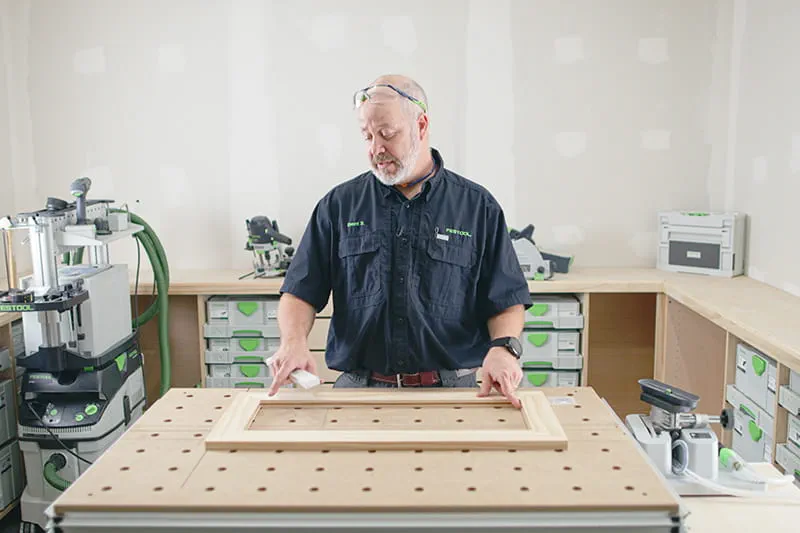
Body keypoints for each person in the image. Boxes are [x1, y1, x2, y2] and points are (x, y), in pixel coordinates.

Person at [267, 74, 532, 407]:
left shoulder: (477, 207)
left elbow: (506, 299)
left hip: (453, 389)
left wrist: (504, 349)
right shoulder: (338, 205)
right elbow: (300, 291)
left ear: (420, 126)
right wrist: (292, 341)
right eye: (367, 136)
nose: (376, 148)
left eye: (388, 134)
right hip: (358, 389)